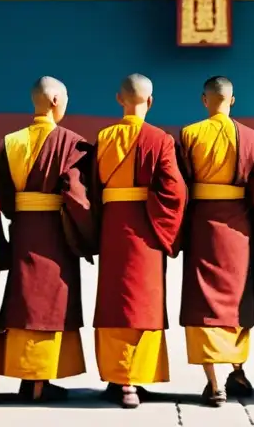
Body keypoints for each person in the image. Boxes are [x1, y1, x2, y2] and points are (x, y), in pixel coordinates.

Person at [178, 76, 254, 406]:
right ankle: (237, 370)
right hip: (239, 229)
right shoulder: (251, 137)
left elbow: (178, 190)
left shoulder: (190, 135)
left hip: (202, 226)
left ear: (204, 100)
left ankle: (214, 383)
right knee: (239, 298)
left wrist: (176, 236)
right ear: (232, 101)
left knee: (204, 301)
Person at [0, 77, 94, 402]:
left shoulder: (9, 142)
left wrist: (18, 213)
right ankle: (40, 381)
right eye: (64, 98)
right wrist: (89, 234)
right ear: (54, 100)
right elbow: (77, 195)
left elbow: (2, 195)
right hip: (54, 233)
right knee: (50, 303)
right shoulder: (72, 143)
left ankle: (26, 377)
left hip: (23, 227)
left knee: (24, 299)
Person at [92, 74, 187, 409]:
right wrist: (168, 230)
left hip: (113, 225)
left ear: (119, 99)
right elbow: (173, 189)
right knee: (141, 301)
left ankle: (117, 378)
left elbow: (91, 188)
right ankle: (136, 380)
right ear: (150, 101)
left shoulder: (104, 137)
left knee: (114, 299)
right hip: (145, 228)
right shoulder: (159, 139)